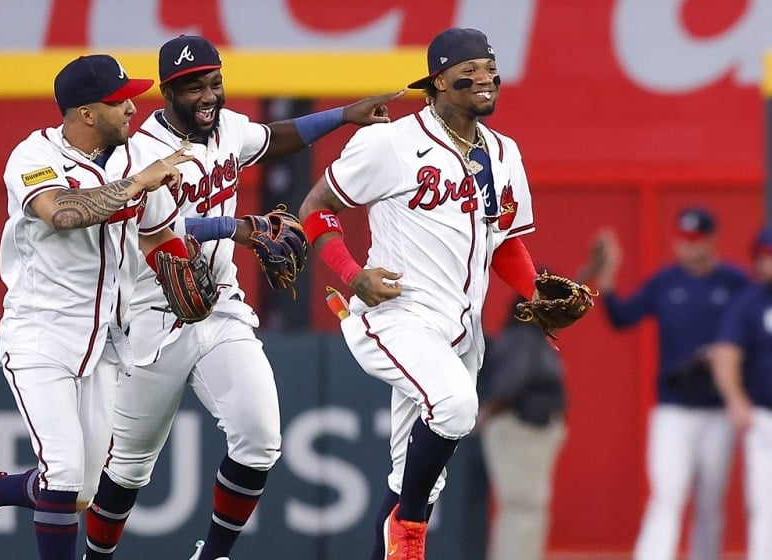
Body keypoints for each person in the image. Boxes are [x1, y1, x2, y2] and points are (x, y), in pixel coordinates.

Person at [83, 35, 403, 560]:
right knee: (127, 470)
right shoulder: (139, 153)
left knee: (260, 441)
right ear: (166, 92)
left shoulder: (227, 128)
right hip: (151, 317)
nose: (208, 96)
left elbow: (273, 138)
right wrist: (236, 226)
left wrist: (345, 114)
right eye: (193, 88)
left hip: (220, 309)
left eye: (215, 83)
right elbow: (156, 224)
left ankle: (213, 556)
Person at [298, 27, 564, 560]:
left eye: (491, 68)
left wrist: (537, 293)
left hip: (461, 333)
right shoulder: (391, 143)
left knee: (411, 477)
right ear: (439, 81)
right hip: (397, 315)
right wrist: (351, 274)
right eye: (471, 70)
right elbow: (314, 210)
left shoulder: (503, 153)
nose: (485, 78)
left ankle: (403, 526)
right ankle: (412, 527)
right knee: (456, 406)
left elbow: (504, 242)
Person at [0, 54, 196, 560]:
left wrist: (184, 271)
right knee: (59, 471)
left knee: (77, 493)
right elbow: (61, 212)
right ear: (85, 113)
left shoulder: (131, 156)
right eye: (118, 100)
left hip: (104, 339)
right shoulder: (33, 156)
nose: (132, 108)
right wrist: (140, 184)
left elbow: (157, 234)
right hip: (40, 334)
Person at [590, 207, 750, 560]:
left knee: (710, 500)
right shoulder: (665, 282)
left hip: (718, 408)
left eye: (694, 239)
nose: (687, 246)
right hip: (673, 407)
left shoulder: (734, 283)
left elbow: (752, 334)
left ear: (711, 239)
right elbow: (621, 316)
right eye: (682, 238)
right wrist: (608, 275)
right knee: (667, 493)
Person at [477, 295, 567, 560]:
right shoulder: (523, 338)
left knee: (527, 508)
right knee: (523, 507)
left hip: (526, 431)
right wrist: (487, 413)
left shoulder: (529, 336)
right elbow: (511, 385)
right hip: (520, 430)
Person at [711, 226, 772, 560]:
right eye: (759, 258)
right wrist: (736, 400)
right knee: (764, 504)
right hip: (764, 417)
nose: (763, 265)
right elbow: (727, 353)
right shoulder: (749, 301)